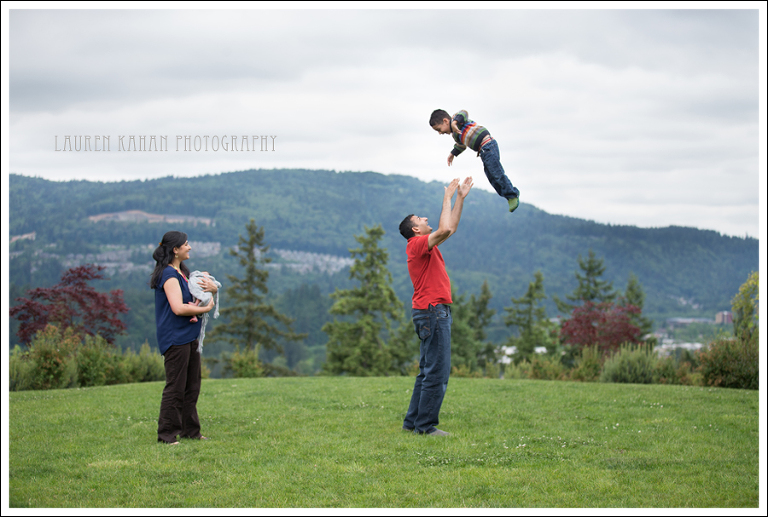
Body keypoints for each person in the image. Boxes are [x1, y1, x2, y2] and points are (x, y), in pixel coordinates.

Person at [399, 176, 473, 436]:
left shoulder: (424, 246)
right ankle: (425, 426)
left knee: (426, 371)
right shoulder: (417, 244)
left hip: (430, 312)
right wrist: (446, 197)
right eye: (420, 219)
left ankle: (412, 423)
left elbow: (449, 229)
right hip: (432, 311)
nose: (424, 219)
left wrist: (460, 198)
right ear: (415, 230)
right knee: (437, 372)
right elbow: (442, 230)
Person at [150, 231, 218, 445]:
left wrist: (213, 289)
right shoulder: (168, 275)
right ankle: (167, 435)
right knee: (176, 387)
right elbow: (178, 309)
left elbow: (199, 292)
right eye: (186, 244)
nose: (189, 247)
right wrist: (206, 308)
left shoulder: (182, 272)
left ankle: (191, 431)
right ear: (175, 250)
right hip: (175, 338)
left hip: (189, 336)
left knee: (192, 386)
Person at [430, 109, 520, 213]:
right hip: (483, 152)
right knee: (491, 177)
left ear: (446, 121)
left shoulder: (457, 119)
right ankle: (508, 196)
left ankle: (512, 194)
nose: (440, 133)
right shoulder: (455, 135)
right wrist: (453, 153)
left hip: (488, 145)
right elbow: (461, 145)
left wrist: (454, 122)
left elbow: (464, 112)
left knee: (497, 173)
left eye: (439, 129)